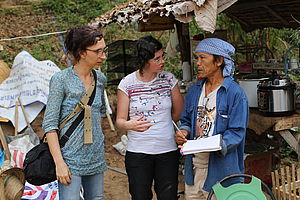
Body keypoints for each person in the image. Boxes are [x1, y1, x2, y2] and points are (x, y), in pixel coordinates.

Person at [175, 38, 249, 200]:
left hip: (221, 170)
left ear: (219, 61)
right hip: (194, 168)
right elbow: (187, 120)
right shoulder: (194, 90)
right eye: (196, 58)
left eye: (202, 58)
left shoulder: (234, 94)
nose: (198, 63)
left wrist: (216, 144)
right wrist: (183, 131)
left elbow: (237, 132)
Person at [42, 26, 107, 200]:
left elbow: (100, 114)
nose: (103, 56)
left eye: (104, 50)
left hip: (95, 156)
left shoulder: (100, 80)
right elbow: (50, 125)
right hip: (69, 158)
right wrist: (59, 163)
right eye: (98, 51)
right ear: (82, 52)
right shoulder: (61, 80)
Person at [116, 35, 184, 200]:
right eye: (157, 58)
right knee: (140, 196)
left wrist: (164, 126)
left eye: (163, 57)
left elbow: (178, 112)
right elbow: (120, 121)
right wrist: (129, 125)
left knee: (168, 195)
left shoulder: (169, 79)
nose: (162, 61)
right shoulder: (127, 84)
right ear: (145, 61)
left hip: (167, 150)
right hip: (138, 152)